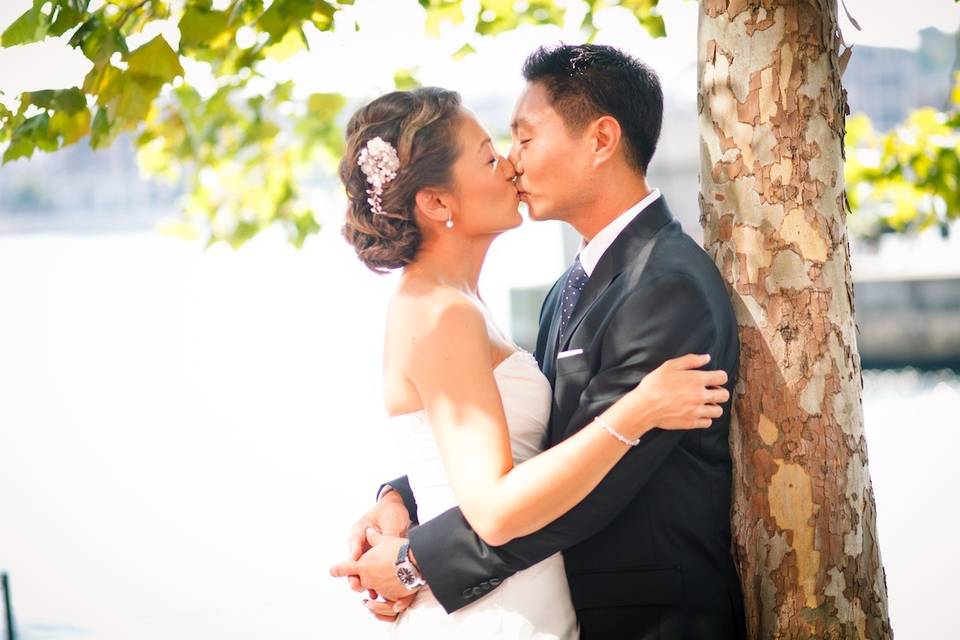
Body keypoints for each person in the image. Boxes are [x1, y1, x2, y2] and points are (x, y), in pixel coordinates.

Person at [332, 44, 746, 640]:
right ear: (437, 201)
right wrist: (404, 496)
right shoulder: (559, 291)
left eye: (524, 139)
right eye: (496, 151)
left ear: (601, 140)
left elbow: (587, 491)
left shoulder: (665, 286)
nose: (510, 163)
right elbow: (545, 446)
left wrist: (415, 562)